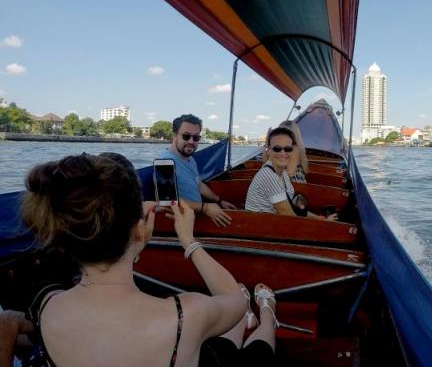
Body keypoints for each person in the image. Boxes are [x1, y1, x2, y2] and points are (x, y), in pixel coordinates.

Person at [20, 154, 278, 366]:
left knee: (221, 342)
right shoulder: (183, 316)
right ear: (140, 230)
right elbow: (235, 300)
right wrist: (188, 240)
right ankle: (267, 316)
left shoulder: (48, 307)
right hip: (189, 336)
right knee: (251, 354)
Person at [159, 114, 237, 227]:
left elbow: (198, 185)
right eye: (186, 136)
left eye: (196, 138)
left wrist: (220, 201)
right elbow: (167, 203)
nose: (191, 141)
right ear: (174, 136)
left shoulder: (190, 159)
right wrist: (205, 208)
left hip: (198, 215)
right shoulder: (164, 161)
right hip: (183, 224)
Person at [245, 128, 337, 220]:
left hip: (272, 224)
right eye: (277, 148)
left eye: (287, 149)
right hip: (260, 229)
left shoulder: (283, 173)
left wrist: (320, 219)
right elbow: (290, 216)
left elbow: (294, 209)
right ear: (269, 150)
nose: (283, 153)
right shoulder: (269, 175)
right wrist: (324, 223)